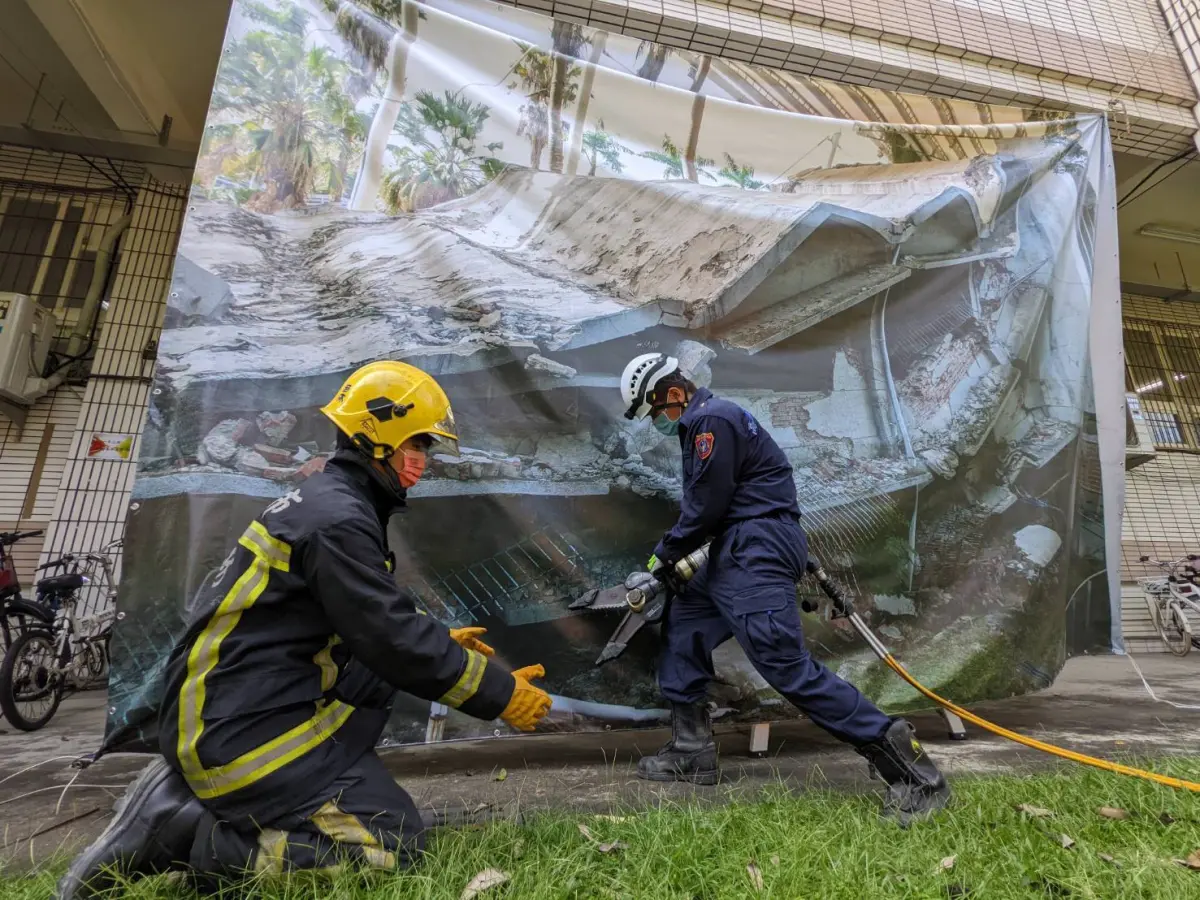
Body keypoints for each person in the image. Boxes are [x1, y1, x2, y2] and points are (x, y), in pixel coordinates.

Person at [59, 361, 553, 898]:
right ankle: (187, 832)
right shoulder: (337, 518)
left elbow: (360, 626)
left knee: (380, 679)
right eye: (420, 443)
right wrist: (499, 692)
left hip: (236, 710)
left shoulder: (329, 503)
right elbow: (387, 634)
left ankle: (211, 791)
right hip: (240, 733)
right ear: (380, 438)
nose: (424, 460)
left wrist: (438, 646)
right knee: (391, 847)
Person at [619, 352, 950, 825]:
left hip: (755, 548)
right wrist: (672, 570)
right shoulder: (706, 424)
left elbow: (705, 509)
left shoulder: (711, 420)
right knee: (684, 621)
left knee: (784, 665)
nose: (658, 423)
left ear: (673, 394)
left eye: (656, 413)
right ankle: (691, 750)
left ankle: (913, 771)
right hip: (736, 547)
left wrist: (660, 560)